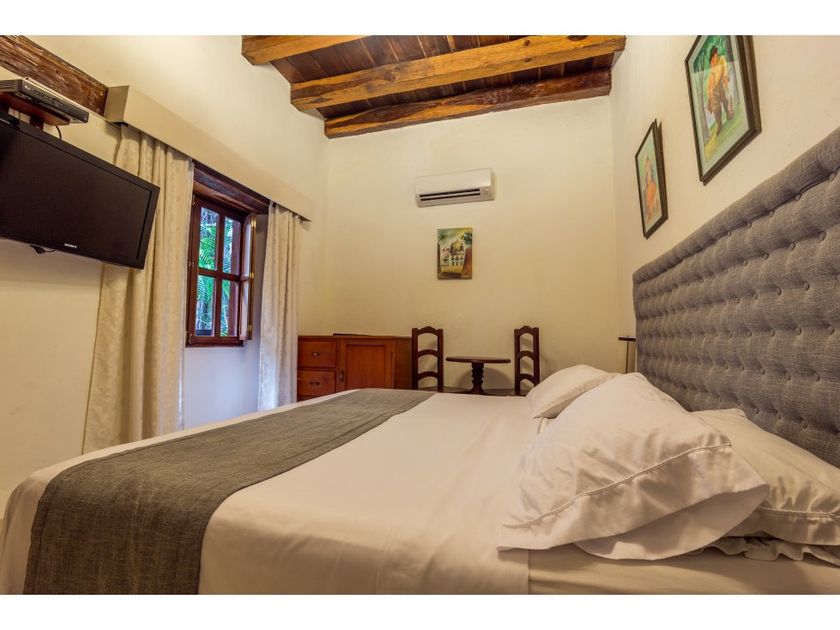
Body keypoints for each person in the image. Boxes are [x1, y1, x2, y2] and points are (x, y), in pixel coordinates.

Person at [706, 45, 735, 136]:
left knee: (725, 100)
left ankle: (728, 114)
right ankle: (719, 124)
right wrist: (709, 99)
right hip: (713, 89)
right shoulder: (711, 68)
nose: (715, 58)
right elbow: (709, 86)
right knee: (716, 108)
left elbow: (725, 67)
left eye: (716, 54)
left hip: (720, 84)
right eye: (713, 56)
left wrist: (725, 77)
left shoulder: (721, 59)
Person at [642, 156, 659, 224]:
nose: (647, 165)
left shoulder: (651, 171)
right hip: (649, 186)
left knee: (649, 196)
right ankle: (650, 213)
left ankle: (651, 213)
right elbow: (645, 183)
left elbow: (651, 181)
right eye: (646, 164)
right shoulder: (646, 174)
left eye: (648, 163)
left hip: (652, 185)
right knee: (647, 197)